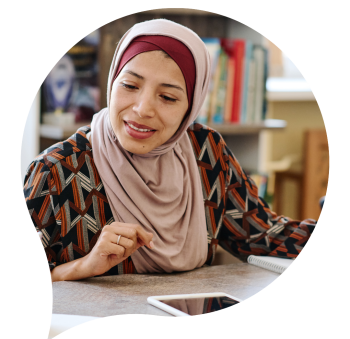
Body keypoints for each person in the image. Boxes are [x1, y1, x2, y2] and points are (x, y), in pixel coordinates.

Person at [23, 19, 316, 282]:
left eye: (167, 97)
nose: (142, 109)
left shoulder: (206, 152)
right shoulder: (56, 171)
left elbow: (262, 236)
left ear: (191, 106)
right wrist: (85, 266)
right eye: (129, 85)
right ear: (112, 82)